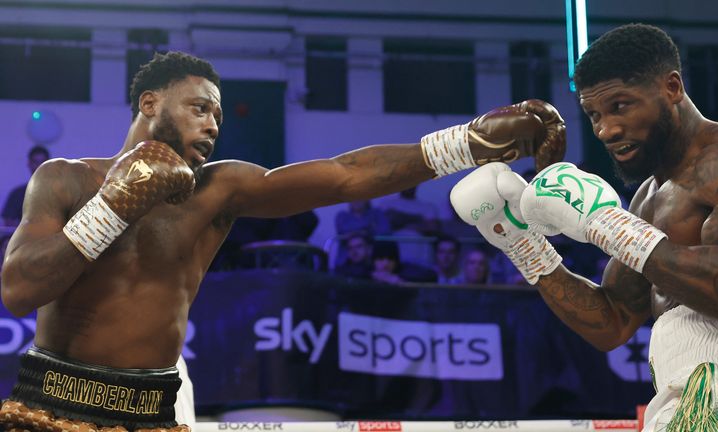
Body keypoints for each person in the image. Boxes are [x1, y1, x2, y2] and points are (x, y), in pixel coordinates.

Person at [0, 51, 565, 431]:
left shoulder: (217, 190)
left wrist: (467, 144)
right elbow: (19, 290)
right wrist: (113, 206)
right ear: (150, 103)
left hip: (155, 411)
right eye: (200, 108)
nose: (213, 124)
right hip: (54, 402)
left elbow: (345, 175)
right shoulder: (66, 179)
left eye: (218, 115)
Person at [452, 24, 718, 431]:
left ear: (672, 88)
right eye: (594, 115)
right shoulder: (649, 197)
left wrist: (607, 223)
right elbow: (613, 321)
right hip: (684, 397)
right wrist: (521, 242)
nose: (606, 130)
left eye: (621, 106)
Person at [2, 146, 50, 227]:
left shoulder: (59, 194)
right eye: (35, 162)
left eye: (42, 162)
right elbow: (8, 222)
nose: (39, 166)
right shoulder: (17, 194)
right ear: (29, 164)